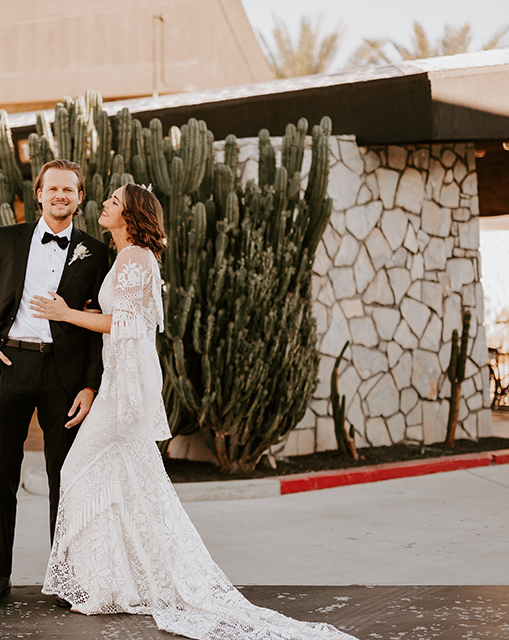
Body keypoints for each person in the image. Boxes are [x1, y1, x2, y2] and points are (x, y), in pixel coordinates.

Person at [32, 184, 358, 640]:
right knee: (122, 477)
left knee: (83, 471)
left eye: (112, 202)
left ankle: (114, 584)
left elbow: (126, 323)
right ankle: (113, 583)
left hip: (124, 385)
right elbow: (129, 313)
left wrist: (65, 314)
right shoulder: (129, 256)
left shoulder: (135, 257)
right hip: (117, 378)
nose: (103, 206)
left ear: (130, 214)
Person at [0, 159, 111, 609]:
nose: (61, 196)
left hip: (63, 376)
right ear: (39, 193)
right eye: (53, 189)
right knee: (1, 473)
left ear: (80, 199)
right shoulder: (6, 239)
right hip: (11, 363)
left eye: (70, 190)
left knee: (65, 478)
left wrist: (89, 385)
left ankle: (64, 577)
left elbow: (98, 326)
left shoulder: (94, 252)